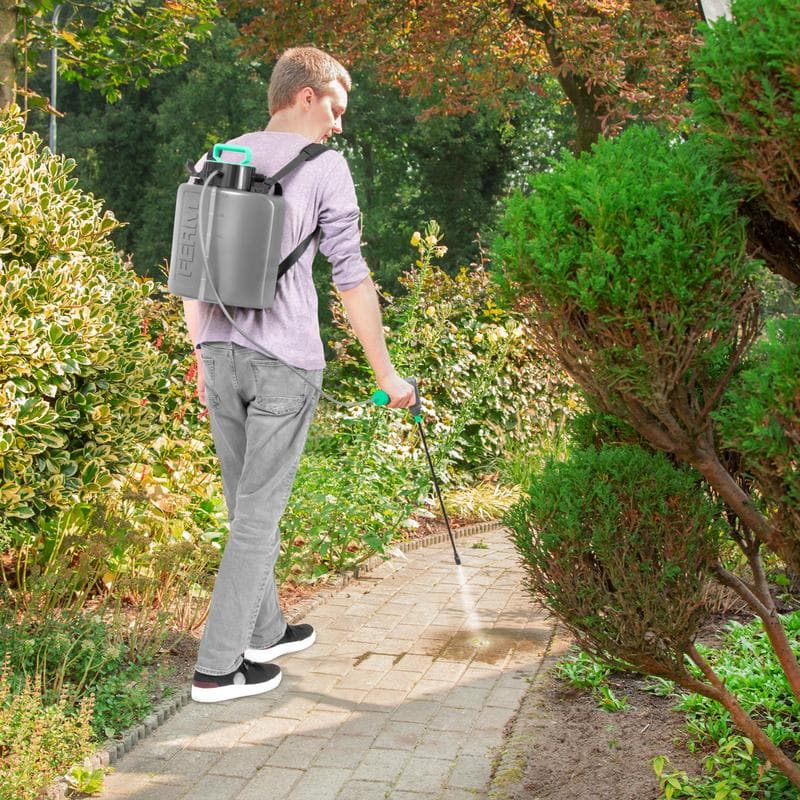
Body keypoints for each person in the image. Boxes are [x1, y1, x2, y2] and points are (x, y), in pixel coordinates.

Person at [183, 46, 415, 703]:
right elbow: (350, 276)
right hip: (284, 365)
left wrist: (202, 353)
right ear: (305, 96)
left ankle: (268, 631)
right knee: (259, 516)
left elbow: (190, 271)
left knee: (243, 506)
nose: (339, 125)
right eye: (335, 109)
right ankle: (218, 669)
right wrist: (387, 373)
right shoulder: (326, 167)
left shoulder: (215, 159)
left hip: (221, 358)